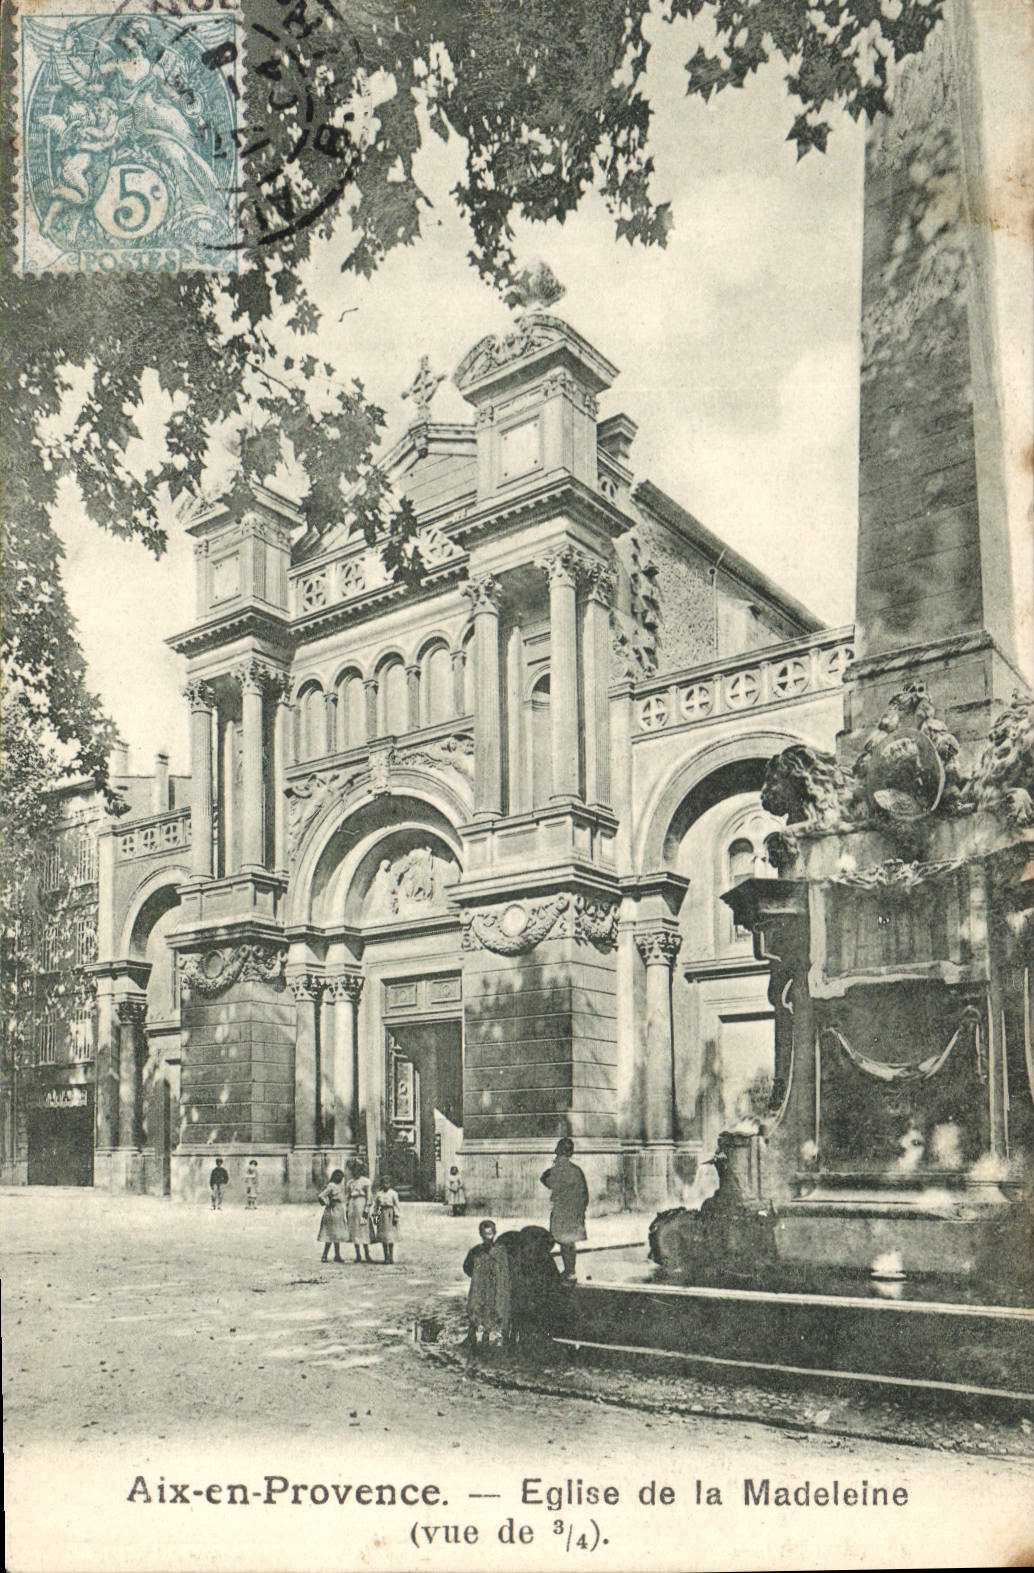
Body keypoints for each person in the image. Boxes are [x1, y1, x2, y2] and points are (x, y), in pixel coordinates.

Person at [540, 1136, 588, 1283]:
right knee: (569, 1243)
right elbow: (585, 1193)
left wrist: (552, 1168)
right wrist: (581, 1210)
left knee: (562, 1242)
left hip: (561, 1211)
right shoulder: (576, 1170)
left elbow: (545, 1180)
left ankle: (568, 1272)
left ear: (557, 1151)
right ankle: (570, 1270)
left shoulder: (556, 1170)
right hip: (575, 1211)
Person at [462, 1219, 511, 1347]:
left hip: (496, 1289)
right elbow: (467, 1268)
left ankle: (491, 1338)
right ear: (480, 1234)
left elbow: (506, 1271)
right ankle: (474, 1337)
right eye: (485, 1235)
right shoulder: (475, 1252)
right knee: (477, 1310)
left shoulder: (501, 1252)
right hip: (480, 1288)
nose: (487, 1238)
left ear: (495, 1233)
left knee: (494, 1311)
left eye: (490, 1234)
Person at [345, 1158, 374, 1262]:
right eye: (353, 1169)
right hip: (353, 1206)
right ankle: (358, 1254)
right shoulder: (350, 1183)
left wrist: (366, 1209)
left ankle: (367, 1254)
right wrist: (346, 1209)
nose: (355, 1172)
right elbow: (347, 1196)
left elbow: (369, 1197)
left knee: (363, 1228)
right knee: (354, 1230)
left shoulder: (366, 1182)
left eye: (357, 1169)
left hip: (362, 1205)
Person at [317, 1169, 348, 1263]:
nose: (340, 1178)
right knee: (330, 1233)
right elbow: (321, 1196)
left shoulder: (341, 1186)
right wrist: (327, 1203)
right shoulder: (331, 1186)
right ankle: (324, 1255)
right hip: (332, 1211)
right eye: (338, 1176)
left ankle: (337, 1255)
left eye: (341, 1177)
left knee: (337, 1233)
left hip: (339, 1211)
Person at [370, 1175, 401, 1264]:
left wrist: (396, 1216)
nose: (386, 1185)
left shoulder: (393, 1193)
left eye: (388, 1183)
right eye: (384, 1183)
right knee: (384, 1237)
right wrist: (375, 1216)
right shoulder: (379, 1194)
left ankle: (391, 1256)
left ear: (390, 1184)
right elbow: (376, 1206)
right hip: (382, 1213)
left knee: (390, 1237)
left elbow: (396, 1206)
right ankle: (386, 1256)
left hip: (390, 1214)